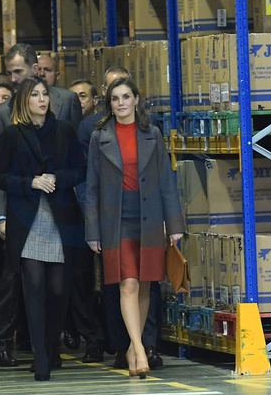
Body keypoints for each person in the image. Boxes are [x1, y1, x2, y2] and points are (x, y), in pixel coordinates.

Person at [85, 76, 184, 379]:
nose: (121, 103)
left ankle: (133, 348)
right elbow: (91, 187)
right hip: (115, 219)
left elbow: (166, 181)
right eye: (115, 99)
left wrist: (174, 224)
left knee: (144, 285)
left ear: (136, 100)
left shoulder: (152, 134)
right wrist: (92, 231)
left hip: (149, 216)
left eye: (126, 97)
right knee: (127, 283)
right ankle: (139, 349)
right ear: (109, 104)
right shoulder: (99, 137)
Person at [0, 77, 85, 381]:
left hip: (61, 217)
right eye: (35, 95)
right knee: (33, 286)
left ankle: (51, 346)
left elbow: (80, 170)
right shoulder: (12, 134)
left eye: (45, 94)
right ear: (24, 100)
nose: (42, 99)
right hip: (26, 218)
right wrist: (30, 182)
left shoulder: (64, 130)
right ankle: (40, 356)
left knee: (58, 289)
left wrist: (57, 178)